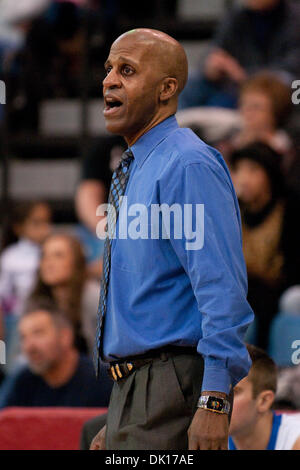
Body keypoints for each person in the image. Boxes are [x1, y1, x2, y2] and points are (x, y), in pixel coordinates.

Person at [91, 28, 254, 451]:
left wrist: (215, 399)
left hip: (174, 384)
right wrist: (123, 412)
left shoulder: (188, 163)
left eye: (126, 70)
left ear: (167, 89)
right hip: (136, 390)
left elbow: (222, 287)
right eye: (109, 68)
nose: (109, 80)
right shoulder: (133, 167)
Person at [230, 142, 300, 349]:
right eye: (239, 170)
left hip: (280, 288)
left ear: (269, 174)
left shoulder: (291, 207)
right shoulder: (233, 209)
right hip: (245, 289)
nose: (244, 178)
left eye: (252, 170)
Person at [179, 0, 300, 110]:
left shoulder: (294, 17)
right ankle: (178, 125)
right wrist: (210, 65)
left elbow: (292, 67)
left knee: (285, 81)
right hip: (235, 85)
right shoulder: (238, 15)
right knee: (193, 80)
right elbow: (215, 49)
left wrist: (244, 74)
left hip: (277, 85)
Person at [0, 301, 113, 408]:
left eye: (38, 333)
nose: (29, 346)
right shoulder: (22, 383)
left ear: (65, 336)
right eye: (23, 337)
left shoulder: (103, 381)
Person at [0, 201, 51, 370]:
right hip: (19, 321)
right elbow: (4, 296)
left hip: (48, 317)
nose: (45, 228)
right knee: (17, 366)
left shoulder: (51, 251)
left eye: (47, 222)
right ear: (19, 227)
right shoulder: (11, 257)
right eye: (37, 223)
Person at [29, 233, 99, 355]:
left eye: (58, 256)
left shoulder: (94, 297)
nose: (48, 263)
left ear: (76, 262)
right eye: (44, 256)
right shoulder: (35, 301)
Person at [229, 344, 300, 450]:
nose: (219, 401)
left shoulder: (295, 440)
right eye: (217, 391)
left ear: (264, 401)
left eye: (233, 392)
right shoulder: (206, 435)